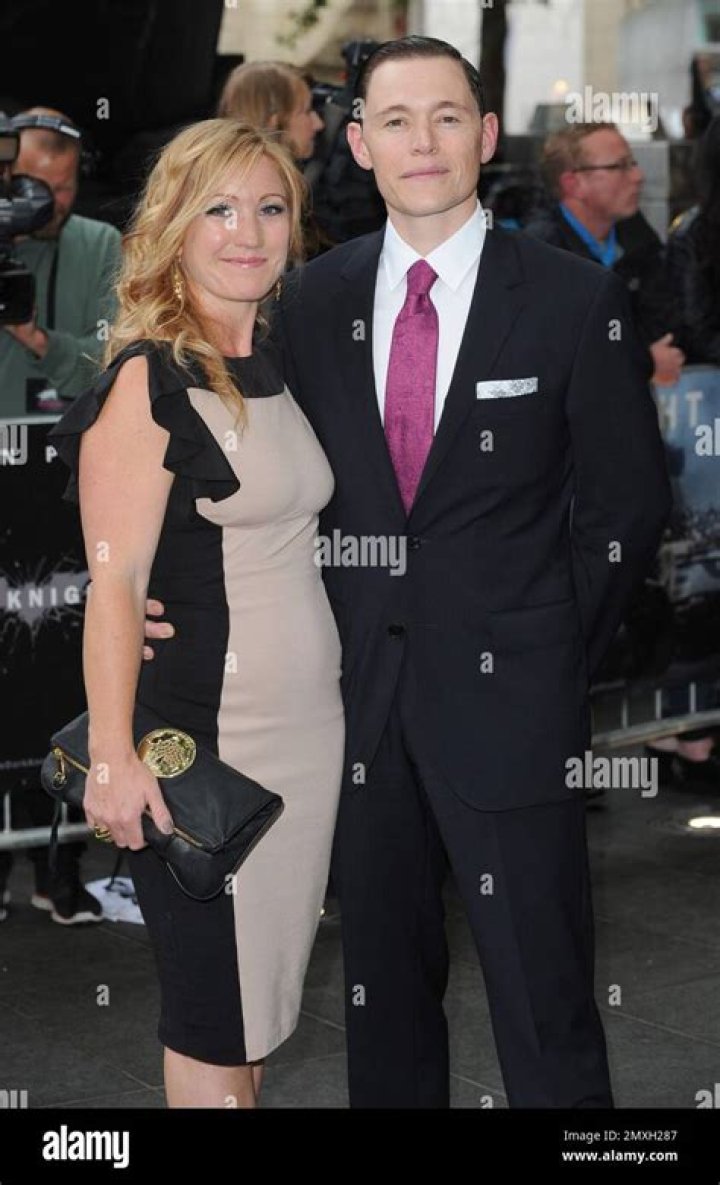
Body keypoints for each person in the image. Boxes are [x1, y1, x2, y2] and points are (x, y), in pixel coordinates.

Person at [146, 37, 672, 1108]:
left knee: (547, 1003)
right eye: (394, 119)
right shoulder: (308, 302)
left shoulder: (574, 301)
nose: (421, 141)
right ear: (359, 144)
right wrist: (168, 600)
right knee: (381, 1005)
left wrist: (545, 650)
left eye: (445, 116)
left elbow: (625, 509)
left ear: (486, 135)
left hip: (513, 709)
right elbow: (252, 471)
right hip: (354, 714)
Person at [49, 118, 344, 1108]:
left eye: (269, 208)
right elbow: (115, 582)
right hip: (206, 746)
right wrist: (112, 758)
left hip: (306, 740)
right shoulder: (149, 380)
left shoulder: (278, 359)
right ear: (174, 225)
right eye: (218, 208)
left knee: (255, 1016)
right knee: (215, 1020)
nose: (247, 233)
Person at [0, 107, 122, 925]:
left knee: (61, 659)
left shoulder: (100, 244)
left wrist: (40, 338)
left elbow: (108, 360)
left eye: (69, 185)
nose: (54, 201)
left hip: (68, 483)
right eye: (38, 187)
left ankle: (61, 859)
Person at [524, 122, 685, 388]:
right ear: (574, 184)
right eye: (619, 166)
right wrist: (642, 363)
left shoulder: (636, 234)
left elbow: (665, 320)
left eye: (633, 163)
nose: (638, 176)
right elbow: (548, 356)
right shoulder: (541, 253)